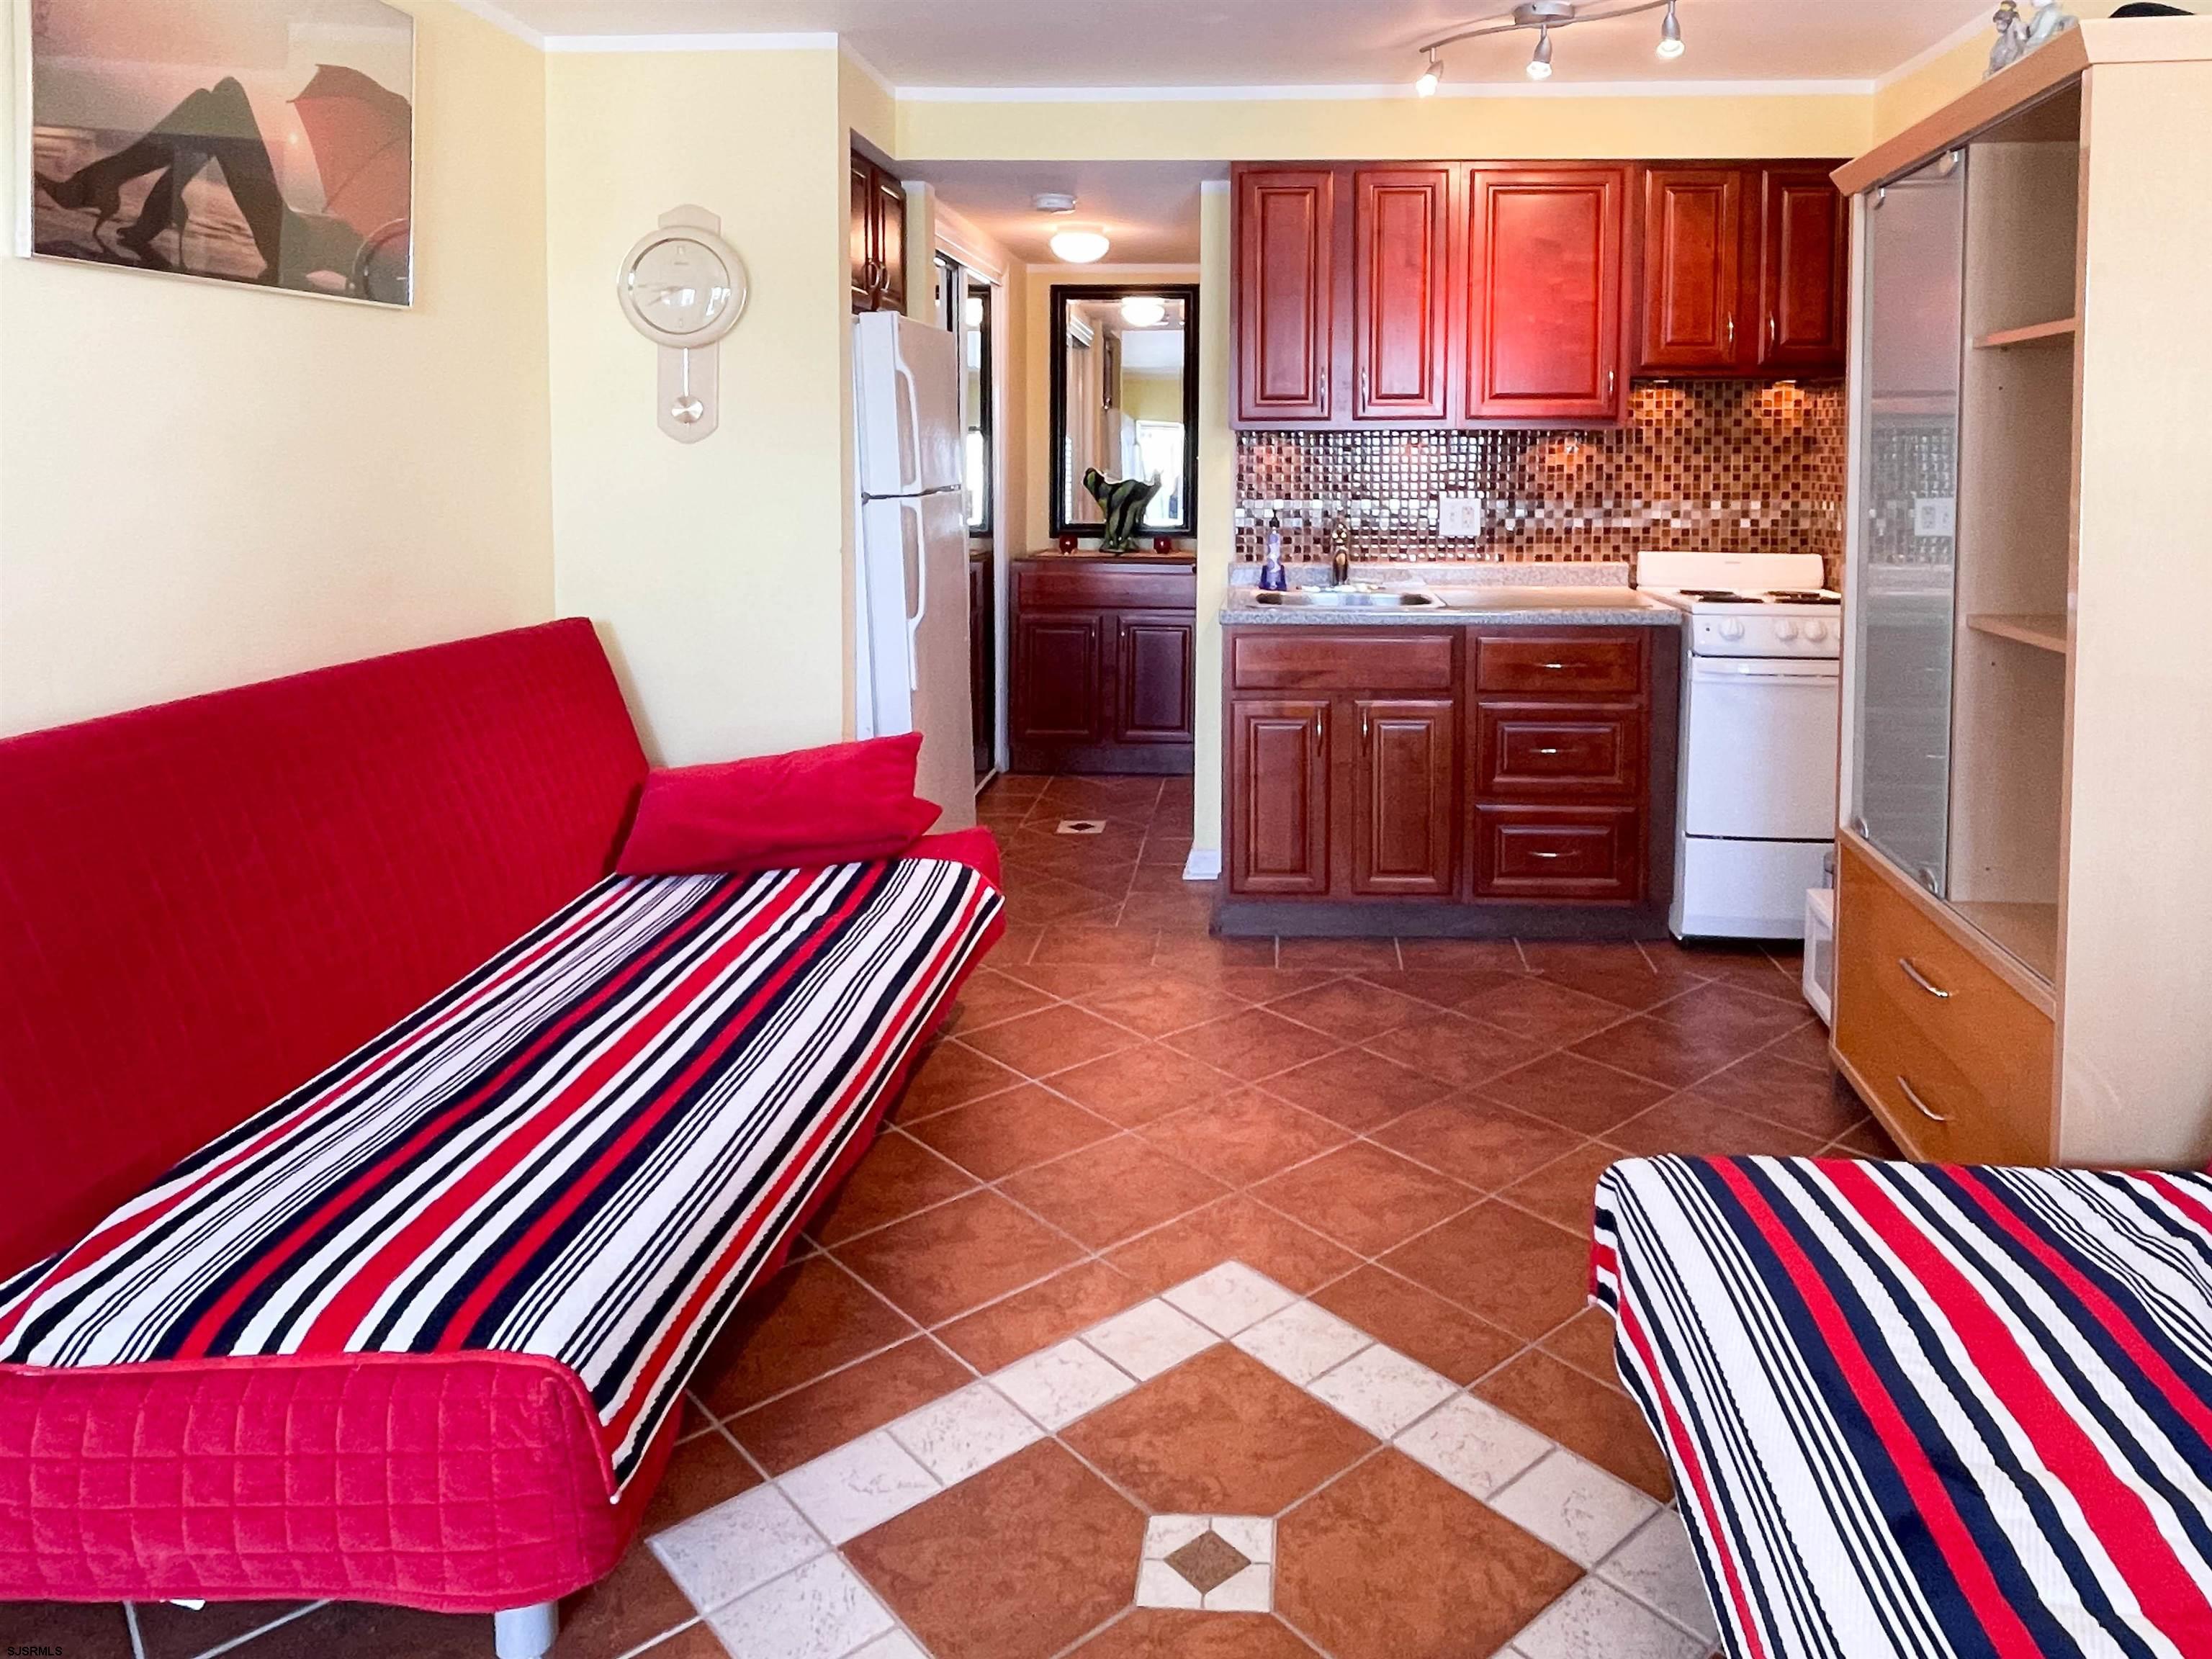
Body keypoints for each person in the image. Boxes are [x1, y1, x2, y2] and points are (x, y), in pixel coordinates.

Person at [37, 74, 361, 287]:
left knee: (222, 97)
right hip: (288, 229)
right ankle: (144, 202)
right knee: (213, 100)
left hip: (289, 240)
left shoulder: (392, 244)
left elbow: (362, 270)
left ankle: (111, 182)